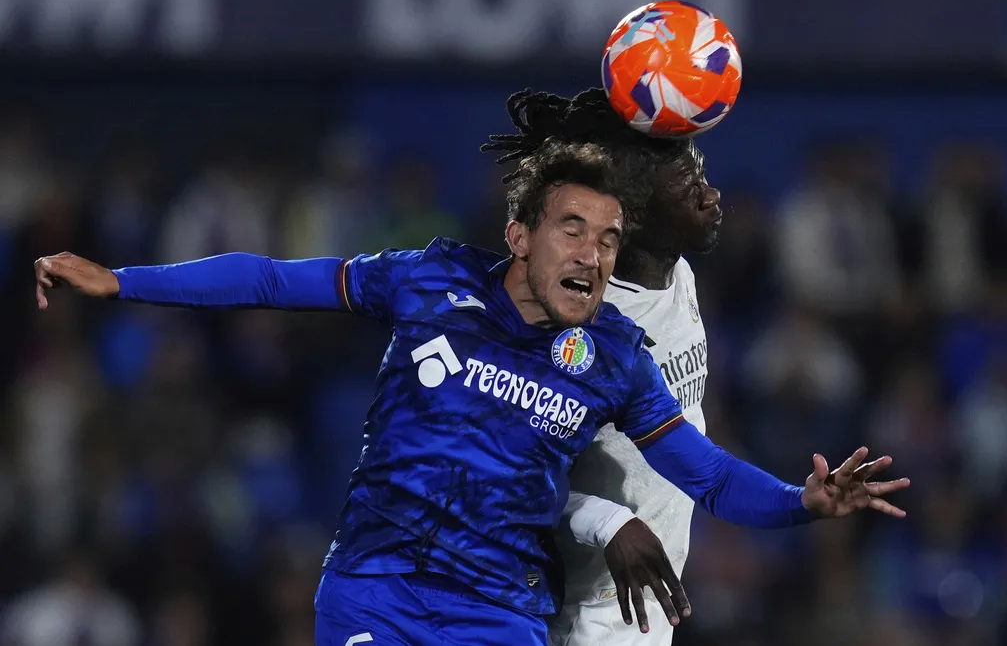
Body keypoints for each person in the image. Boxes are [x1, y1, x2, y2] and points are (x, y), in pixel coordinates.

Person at [34, 92, 909, 646]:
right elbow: (269, 277)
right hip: (377, 587)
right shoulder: (430, 280)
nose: (594, 256)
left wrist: (805, 503)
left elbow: (709, 477)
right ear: (520, 235)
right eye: (573, 230)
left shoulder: (614, 354)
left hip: (500, 615)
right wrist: (122, 280)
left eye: (608, 240)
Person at [509, 88, 745, 645]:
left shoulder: (678, 274)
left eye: (703, 174)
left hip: (642, 605)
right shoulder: (576, 328)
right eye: (689, 189)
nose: (713, 195)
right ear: (633, 215)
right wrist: (608, 521)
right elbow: (503, 472)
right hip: (578, 611)